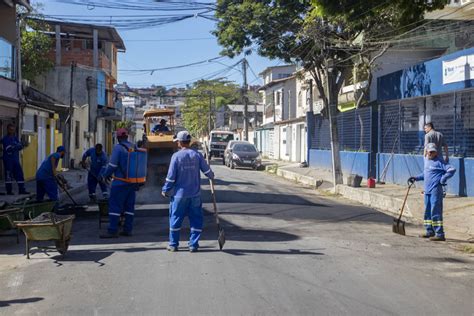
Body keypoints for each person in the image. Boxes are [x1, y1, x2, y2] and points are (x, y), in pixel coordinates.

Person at [162, 130, 214, 252]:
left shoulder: (176, 156)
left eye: (177, 142)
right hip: (194, 195)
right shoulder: (197, 155)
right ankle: (193, 245)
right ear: (189, 141)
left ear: (180, 142)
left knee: (175, 219)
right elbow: (208, 172)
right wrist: (211, 175)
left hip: (179, 195)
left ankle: (173, 244)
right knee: (196, 220)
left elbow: (171, 177)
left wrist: (165, 189)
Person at [408, 143, 456, 241]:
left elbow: (452, 169)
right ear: (426, 152)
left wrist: (443, 179)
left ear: (436, 152)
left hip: (436, 190)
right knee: (427, 212)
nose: (430, 153)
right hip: (427, 191)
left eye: (432, 152)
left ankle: (439, 234)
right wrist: (416, 178)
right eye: (429, 152)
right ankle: (429, 231)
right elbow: (425, 174)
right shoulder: (427, 161)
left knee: (435, 211)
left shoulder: (440, 161)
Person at [99, 128, 137, 238]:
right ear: (127, 136)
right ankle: (127, 229)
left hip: (120, 182)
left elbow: (113, 166)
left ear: (118, 137)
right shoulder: (134, 147)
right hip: (132, 182)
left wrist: (104, 175)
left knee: (115, 206)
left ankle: (112, 230)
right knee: (129, 207)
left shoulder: (118, 148)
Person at [1, 124, 29, 195]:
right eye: (10, 129)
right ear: (7, 130)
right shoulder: (5, 139)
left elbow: (18, 147)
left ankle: (21, 190)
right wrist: (17, 146)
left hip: (15, 160)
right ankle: (9, 191)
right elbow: (9, 149)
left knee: (19, 174)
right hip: (8, 160)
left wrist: (23, 145)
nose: (12, 131)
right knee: (8, 176)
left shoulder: (15, 138)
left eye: (13, 130)